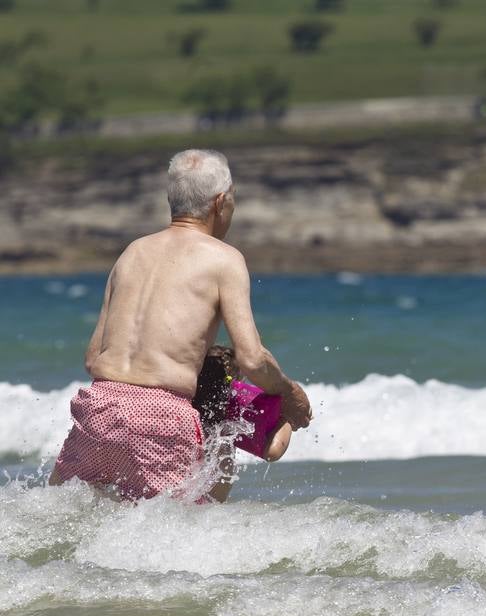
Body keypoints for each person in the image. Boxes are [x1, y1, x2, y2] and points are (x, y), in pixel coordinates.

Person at [49, 148, 311, 501]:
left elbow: (93, 356)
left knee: (62, 513)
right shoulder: (225, 259)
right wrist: (289, 391)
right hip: (160, 415)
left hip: (98, 406)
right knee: (184, 532)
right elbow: (251, 359)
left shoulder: (132, 252)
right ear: (220, 202)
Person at [193, 345, 293, 503]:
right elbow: (272, 453)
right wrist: (287, 421)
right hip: (209, 510)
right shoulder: (230, 422)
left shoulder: (188, 416)